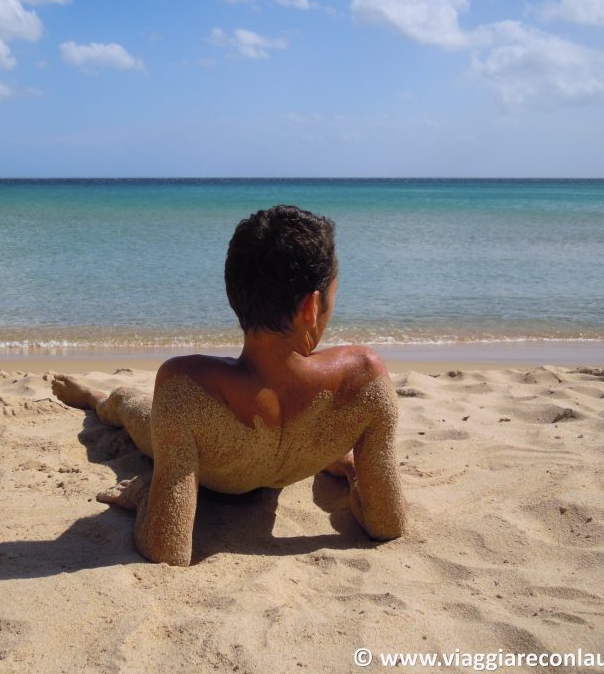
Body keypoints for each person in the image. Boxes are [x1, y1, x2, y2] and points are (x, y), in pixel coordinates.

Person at [51, 204, 406, 566]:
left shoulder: (187, 390)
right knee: (127, 404)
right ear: (311, 307)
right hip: (298, 455)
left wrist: (150, 498)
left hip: (217, 469)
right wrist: (355, 470)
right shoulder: (365, 382)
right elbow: (387, 524)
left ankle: (110, 409)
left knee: (137, 407)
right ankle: (95, 399)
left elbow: (166, 549)